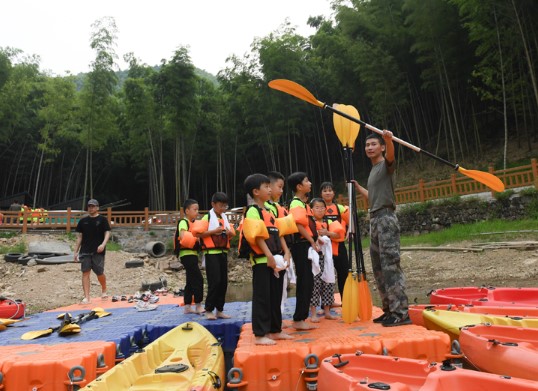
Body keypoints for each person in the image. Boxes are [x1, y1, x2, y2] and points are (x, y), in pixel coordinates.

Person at [353, 131, 410, 327]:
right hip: (375, 218)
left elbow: (392, 156)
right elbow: (374, 195)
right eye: (367, 145)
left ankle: (401, 312)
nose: (369, 147)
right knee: (378, 267)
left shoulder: (386, 165)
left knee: (390, 266)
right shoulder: (372, 171)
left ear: (382, 148)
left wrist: (388, 139)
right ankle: (388, 310)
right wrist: (359, 189)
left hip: (386, 218)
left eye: (373, 144)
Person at [243, 174, 292, 345]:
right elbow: (257, 237)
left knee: (275, 296)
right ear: (256, 192)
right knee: (263, 297)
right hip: (262, 261)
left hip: (276, 259)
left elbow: (279, 233)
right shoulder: (252, 211)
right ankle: (260, 334)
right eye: (266, 187)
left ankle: (275, 329)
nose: (270, 189)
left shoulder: (270, 210)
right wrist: (269, 256)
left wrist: (286, 252)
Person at [287, 172, 319, 330]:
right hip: (301, 245)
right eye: (307, 181)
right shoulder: (296, 204)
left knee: (308, 281)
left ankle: (301, 318)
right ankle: (298, 319)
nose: (310, 183)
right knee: (304, 281)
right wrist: (312, 240)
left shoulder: (303, 203)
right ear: (299, 186)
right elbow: (299, 225)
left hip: (306, 244)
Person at [199, 192, 235, 320]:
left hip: (223, 253)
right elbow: (199, 234)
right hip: (211, 254)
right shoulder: (206, 217)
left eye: (225, 206)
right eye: (221, 206)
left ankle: (219, 310)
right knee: (214, 282)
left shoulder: (225, 218)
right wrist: (215, 231)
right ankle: (209, 309)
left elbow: (232, 234)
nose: (223, 209)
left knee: (223, 282)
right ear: (213, 204)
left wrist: (229, 232)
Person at [309, 198, 341, 322]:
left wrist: (327, 233)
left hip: (327, 258)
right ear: (311, 210)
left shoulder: (329, 221)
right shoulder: (310, 222)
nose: (320, 210)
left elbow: (339, 235)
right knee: (315, 284)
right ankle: (313, 313)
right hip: (315, 258)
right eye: (317, 207)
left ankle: (327, 311)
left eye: (322, 207)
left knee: (328, 283)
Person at [74, 199, 111, 304]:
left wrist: (103, 244)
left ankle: (104, 289)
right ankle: (86, 297)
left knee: (99, 272)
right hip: (85, 251)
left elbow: (107, 233)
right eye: (89, 206)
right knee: (85, 273)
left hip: (98, 250)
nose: (91, 208)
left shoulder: (102, 220)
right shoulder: (82, 221)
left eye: (93, 206)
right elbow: (79, 238)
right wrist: (75, 252)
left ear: (97, 208)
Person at [319, 182, 349, 304]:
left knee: (344, 274)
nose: (328, 193)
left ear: (334, 193)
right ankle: (327, 302)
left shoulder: (339, 208)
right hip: (324, 247)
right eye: (325, 190)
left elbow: (351, 220)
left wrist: (349, 233)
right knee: (325, 276)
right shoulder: (317, 208)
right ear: (321, 193)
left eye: (330, 190)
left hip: (339, 246)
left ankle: (346, 301)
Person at [177, 199, 204, 314]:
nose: (197, 212)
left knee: (190, 280)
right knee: (198, 279)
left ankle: (187, 306)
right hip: (186, 255)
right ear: (187, 211)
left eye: (198, 209)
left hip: (192, 254)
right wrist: (196, 238)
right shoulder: (184, 222)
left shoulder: (194, 223)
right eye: (195, 209)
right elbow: (183, 236)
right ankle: (198, 305)